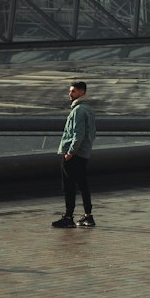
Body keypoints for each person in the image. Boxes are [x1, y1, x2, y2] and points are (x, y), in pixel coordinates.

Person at [52, 80, 96, 228]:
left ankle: (68, 217)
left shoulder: (78, 110)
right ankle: (88, 216)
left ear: (82, 92)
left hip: (74, 154)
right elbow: (92, 133)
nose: (70, 94)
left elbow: (78, 134)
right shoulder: (88, 109)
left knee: (68, 186)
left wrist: (70, 152)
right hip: (83, 153)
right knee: (83, 184)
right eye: (70, 91)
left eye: (73, 91)